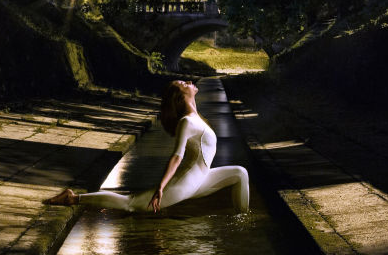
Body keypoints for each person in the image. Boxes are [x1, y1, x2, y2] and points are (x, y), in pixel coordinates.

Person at [45, 80, 250, 213]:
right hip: (187, 182)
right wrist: (161, 187)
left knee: (240, 173)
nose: (188, 82)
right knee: (131, 203)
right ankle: (73, 198)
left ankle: (243, 221)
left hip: (202, 178)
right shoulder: (186, 122)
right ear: (180, 96)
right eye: (183, 83)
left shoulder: (196, 118)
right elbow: (177, 157)